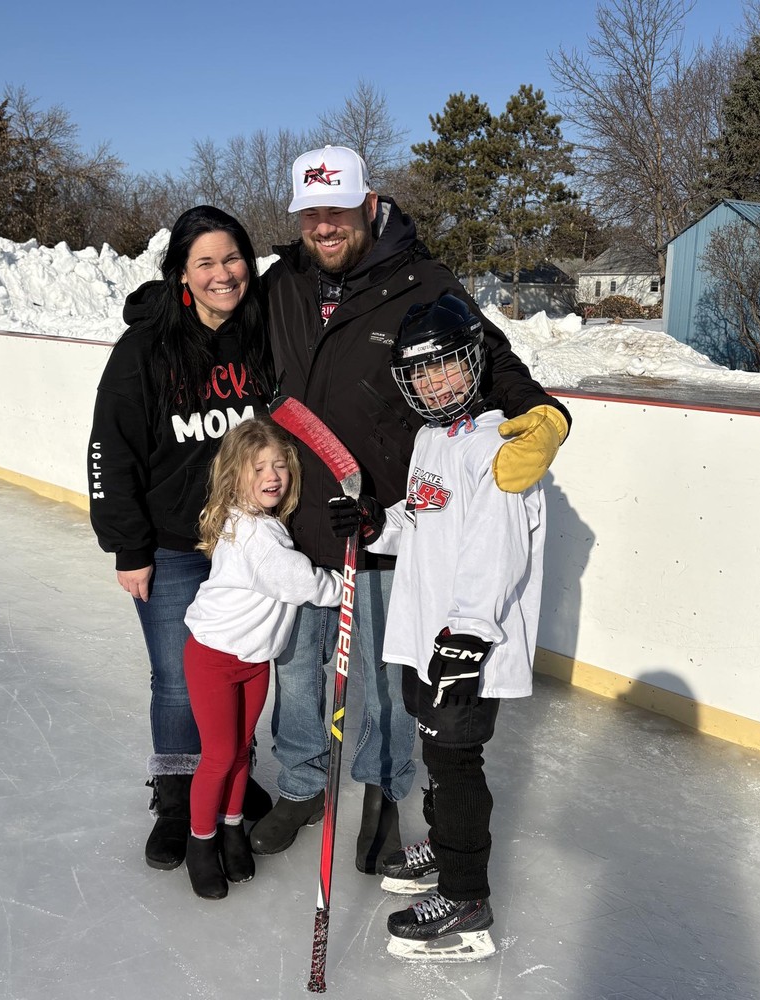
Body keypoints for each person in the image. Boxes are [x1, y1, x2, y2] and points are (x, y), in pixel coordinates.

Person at [251, 145, 570, 873]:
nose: (324, 227)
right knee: (295, 671)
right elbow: (225, 333)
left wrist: (543, 414)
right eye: (311, 214)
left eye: (337, 211)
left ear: (369, 204)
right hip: (298, 514)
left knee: (389, 681)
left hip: (387, 517)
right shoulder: (283, 281)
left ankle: (383, 793)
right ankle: (300, 786)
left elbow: (491, 357)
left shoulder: (421, 280)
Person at [328, 293, 547, 962]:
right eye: (421, 372)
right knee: (436, 755)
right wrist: (377, 524)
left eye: (446, 365)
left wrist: (470, 634)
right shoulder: (430, 439)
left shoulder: (499, 446)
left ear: (474, 363)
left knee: (456, 764)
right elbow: (423, 520)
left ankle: (466, 898)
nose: (435, 383)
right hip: (425, 637)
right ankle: (447, 847)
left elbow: (497, 550)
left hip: (465, 644)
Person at [88, 205, 275, 873]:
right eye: (206, 262)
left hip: (248, 545)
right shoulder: (144, 349)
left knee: (242, 667)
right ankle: (175, 798)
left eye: (233, 258)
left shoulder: (261, 336)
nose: (224, 274)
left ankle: (227, 777)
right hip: (172, 546)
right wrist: (129, 547)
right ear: (181, 275)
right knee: (176, 678)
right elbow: (111, 450)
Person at [181, 418, 343, 900]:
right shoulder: (255, 536)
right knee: (219, 756)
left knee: (240, 752)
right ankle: (200, 842)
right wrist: (345, 584)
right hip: (214, 658)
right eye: (258, 468)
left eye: (280, 465)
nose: (272, 476)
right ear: (235, 476)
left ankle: (232, 826)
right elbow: (304, 583)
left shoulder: (265, 524)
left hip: (252, 661)